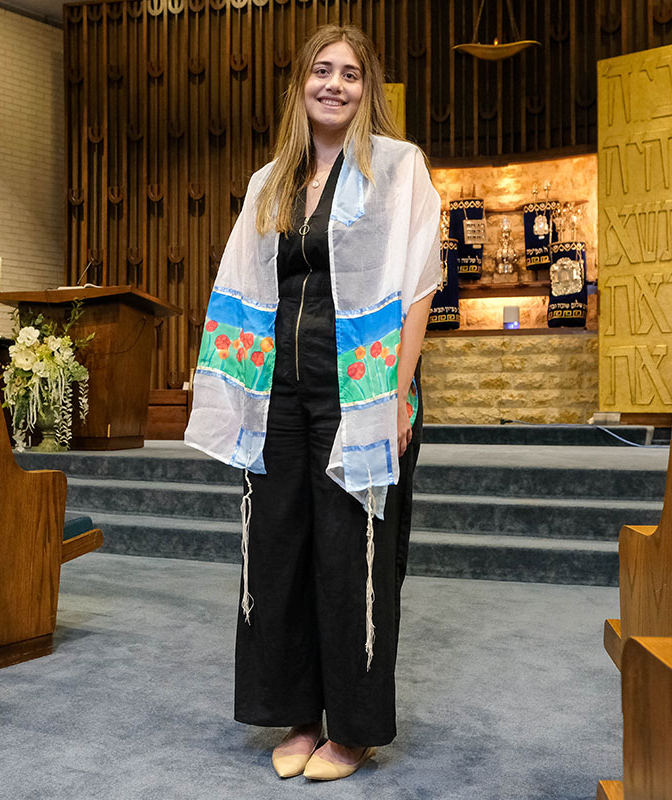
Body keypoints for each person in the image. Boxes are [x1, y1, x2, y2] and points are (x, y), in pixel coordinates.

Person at [184, 23, 440, 782]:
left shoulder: (398, 167)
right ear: (300, 84)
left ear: (369, 89)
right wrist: (230, 388)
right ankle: (299, 714)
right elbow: (241, 285)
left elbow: (420, 284)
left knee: (351, 556)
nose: (335, 84)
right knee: (279, 549)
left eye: (350, 74)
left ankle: (353, 728)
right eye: (321, 71)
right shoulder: (271, 182)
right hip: (277, 392)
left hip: (358, 388)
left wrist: (397, 395)